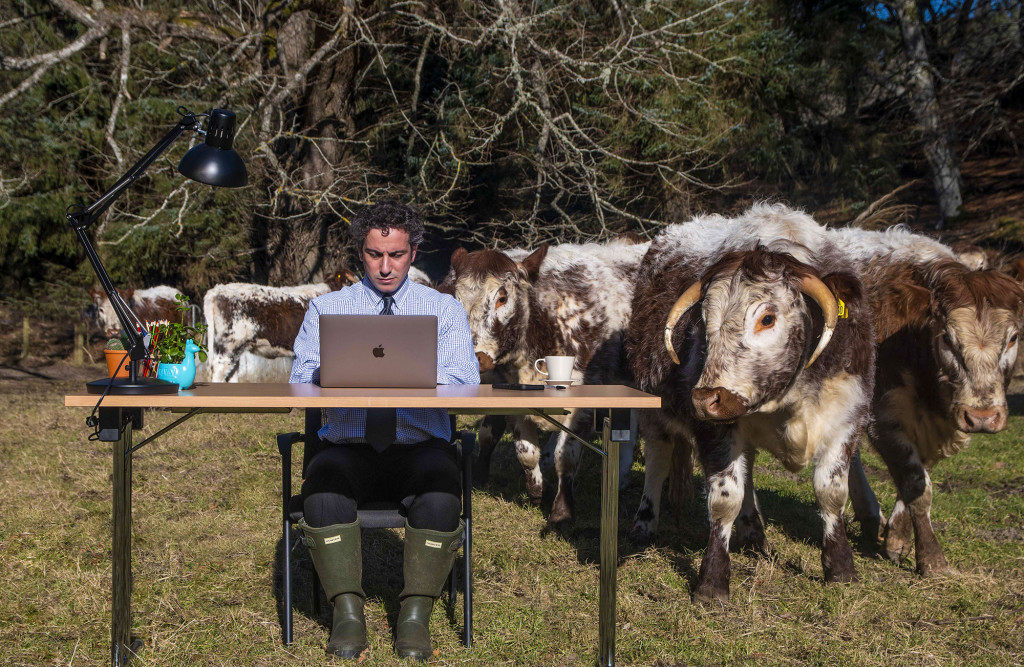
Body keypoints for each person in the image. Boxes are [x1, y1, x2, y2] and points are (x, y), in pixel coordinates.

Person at [289, 201, 479, 660]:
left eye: (396, 254)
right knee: (322, 491)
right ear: (361, 252)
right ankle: (347, 613)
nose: (386, 266)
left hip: (419, 446)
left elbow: (466, 380)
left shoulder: (444, 310)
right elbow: (300, 376)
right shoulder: (326, 308)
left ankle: (415, 617)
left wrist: (416, 373)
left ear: (413, 252)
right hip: (349, 446)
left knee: (441, 494)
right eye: (375, 254)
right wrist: (328, 374)